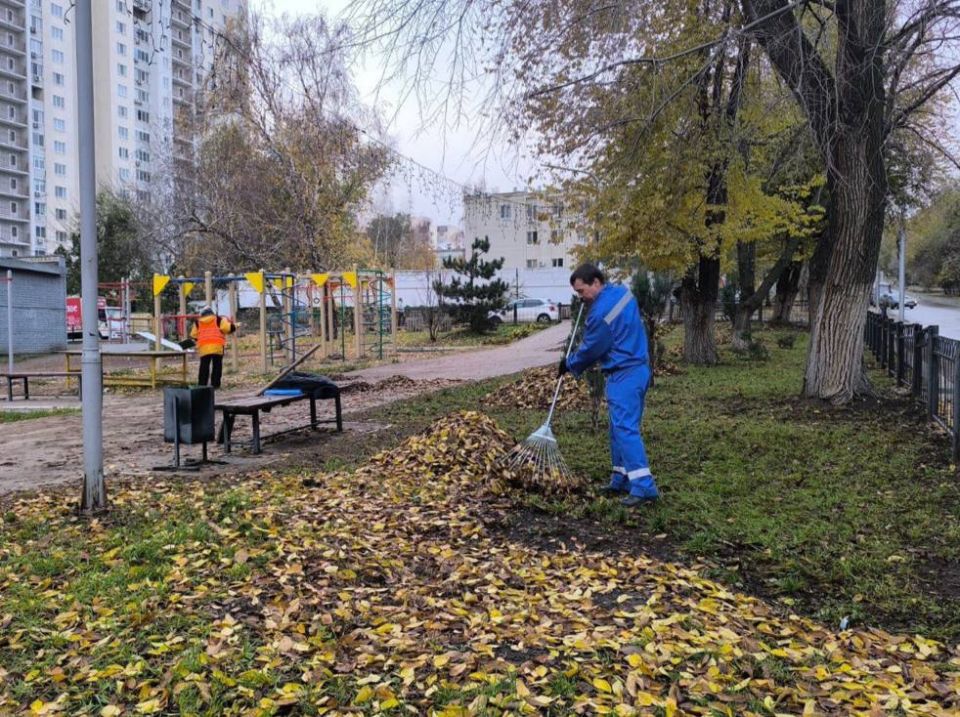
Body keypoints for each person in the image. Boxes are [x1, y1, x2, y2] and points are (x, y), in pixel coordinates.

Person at [558, 263, 659, 506]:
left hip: (624, 372)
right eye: (577, 294)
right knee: (618, 427)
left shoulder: (600, 313)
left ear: (596, 282)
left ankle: (644, 487)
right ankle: (620, 477)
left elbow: (592, 348)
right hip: (638, 368)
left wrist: (569, 364)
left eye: (582, 292)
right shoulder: (622, 292)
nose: (581, 298)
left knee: (625, 428)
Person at [190, 306, 237, 389]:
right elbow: (227, 328)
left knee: (204, 366)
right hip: (217, 347)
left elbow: (194, 335)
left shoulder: (197, 322)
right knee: (217, 366)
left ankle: (202, 384)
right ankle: (215, 385)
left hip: (204, 348)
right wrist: (234, 326)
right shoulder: (219, 319)